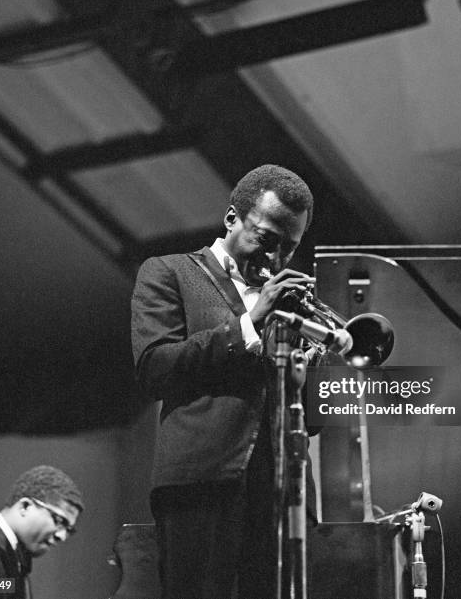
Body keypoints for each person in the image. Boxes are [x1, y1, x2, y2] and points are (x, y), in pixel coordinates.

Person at [131, 164, 317, 599]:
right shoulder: (168, 272)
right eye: (265, 240)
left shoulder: (291, 305)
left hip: (280, 489)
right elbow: (155, 368)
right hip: (200, 483)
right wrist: (249, 324)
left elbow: (312, 421)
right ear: (232, 218)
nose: (274, 260)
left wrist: (305, 373)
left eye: (287, 249)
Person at [0, 465, 83, 599]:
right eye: (59, 521)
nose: (62, 536)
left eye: (68, 530)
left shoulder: (17, 557)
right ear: (25, 506)